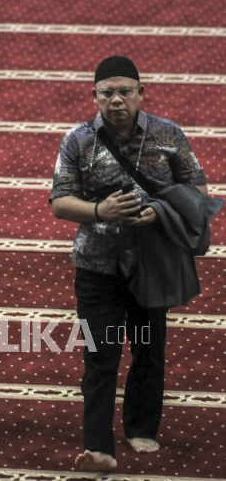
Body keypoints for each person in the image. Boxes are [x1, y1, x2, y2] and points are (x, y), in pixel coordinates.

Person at [50, 56, 209, 472]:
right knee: (100, 355)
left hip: (150, 263)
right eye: (108, 93)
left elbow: (197, 189)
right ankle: (98, 446)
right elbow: (60, 202)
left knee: (148, 350)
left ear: (141, 93)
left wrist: (158, 211)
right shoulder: (77, 140)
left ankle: (141, 427)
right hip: (97, 267)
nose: (117, 100)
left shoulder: (167, 133)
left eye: (125, 91)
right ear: (94, 96)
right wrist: (101, 210)